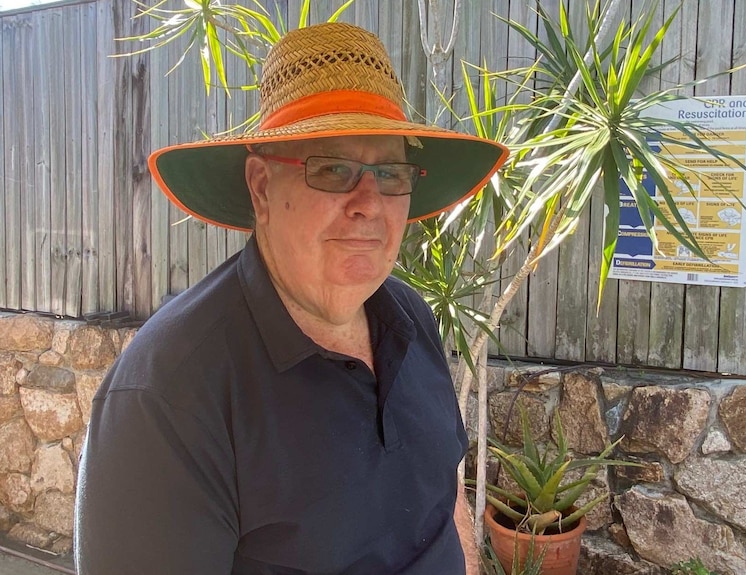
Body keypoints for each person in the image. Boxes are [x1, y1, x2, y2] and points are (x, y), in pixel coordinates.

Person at [74, 21, 508, 575]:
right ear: (261, 188)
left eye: (391, 172)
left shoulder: (411, 319)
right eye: (333, 169)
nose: (368, 203)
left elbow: (444, 502)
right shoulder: (170, 393)